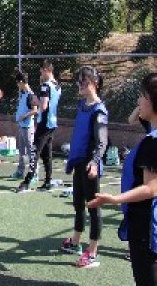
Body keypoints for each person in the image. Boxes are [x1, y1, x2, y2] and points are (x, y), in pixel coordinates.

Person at [89, 73, 157, 285]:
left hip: (145, 224)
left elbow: (151, 188)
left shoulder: (152, 142)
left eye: (142, 96)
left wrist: (115, 199)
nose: (138, 101)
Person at [59, 66, 108, 268]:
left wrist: (94, 162)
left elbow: (102, 142)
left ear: (95, 83)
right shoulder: (81, 105)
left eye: (84, 82)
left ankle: (92, 251)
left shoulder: (99, 110)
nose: (80, 85)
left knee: (93, 207)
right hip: (79, 162)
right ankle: (76, 242)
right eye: (79, 81)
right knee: (78, 204)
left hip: (89, 165)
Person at [17, 60, 62, 192]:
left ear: (46, 70)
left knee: (34, 151)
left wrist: (36, 100)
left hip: (44, 123)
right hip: (52, 123)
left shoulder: (45, 86)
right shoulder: (57, 86)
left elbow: (43, 106)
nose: (41, 74)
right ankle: (47, 181)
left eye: (42, 71)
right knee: (47, 153)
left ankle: (26, 182)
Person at [12, 72, 37, 179]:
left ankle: (34, 174)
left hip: (27, 127)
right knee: (22, 150)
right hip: (21, 126)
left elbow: (35, 110)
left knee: (31, 150)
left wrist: (23, 116)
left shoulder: (31, 95)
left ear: (21, 82)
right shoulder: (24, 94)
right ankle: (20, 171)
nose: (17, 85)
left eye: (17, 82)